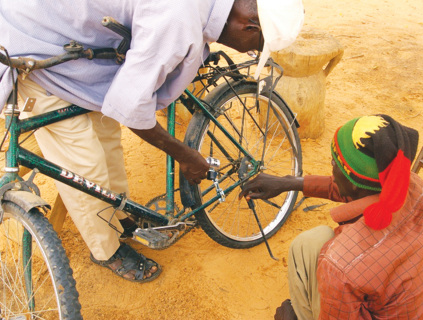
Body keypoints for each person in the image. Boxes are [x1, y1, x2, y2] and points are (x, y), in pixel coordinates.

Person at [0, 0, 304, 283]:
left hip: (79, 41)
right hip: (34, 36)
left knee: (106, 133)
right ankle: (107, 249)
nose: (251, 52)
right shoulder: (178, 19)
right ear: (250, 26)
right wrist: (186, 155)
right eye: (257, 47)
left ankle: (117, 216)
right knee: (82, 160)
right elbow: (131, 109)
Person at [240, 115, 423, 319]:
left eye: (333, 164)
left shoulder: (340, 263)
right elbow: (351, 187)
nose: (331, 170)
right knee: (311, 244)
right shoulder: (415, 187)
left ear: (354, 183)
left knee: (307, 246)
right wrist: (289, 182)